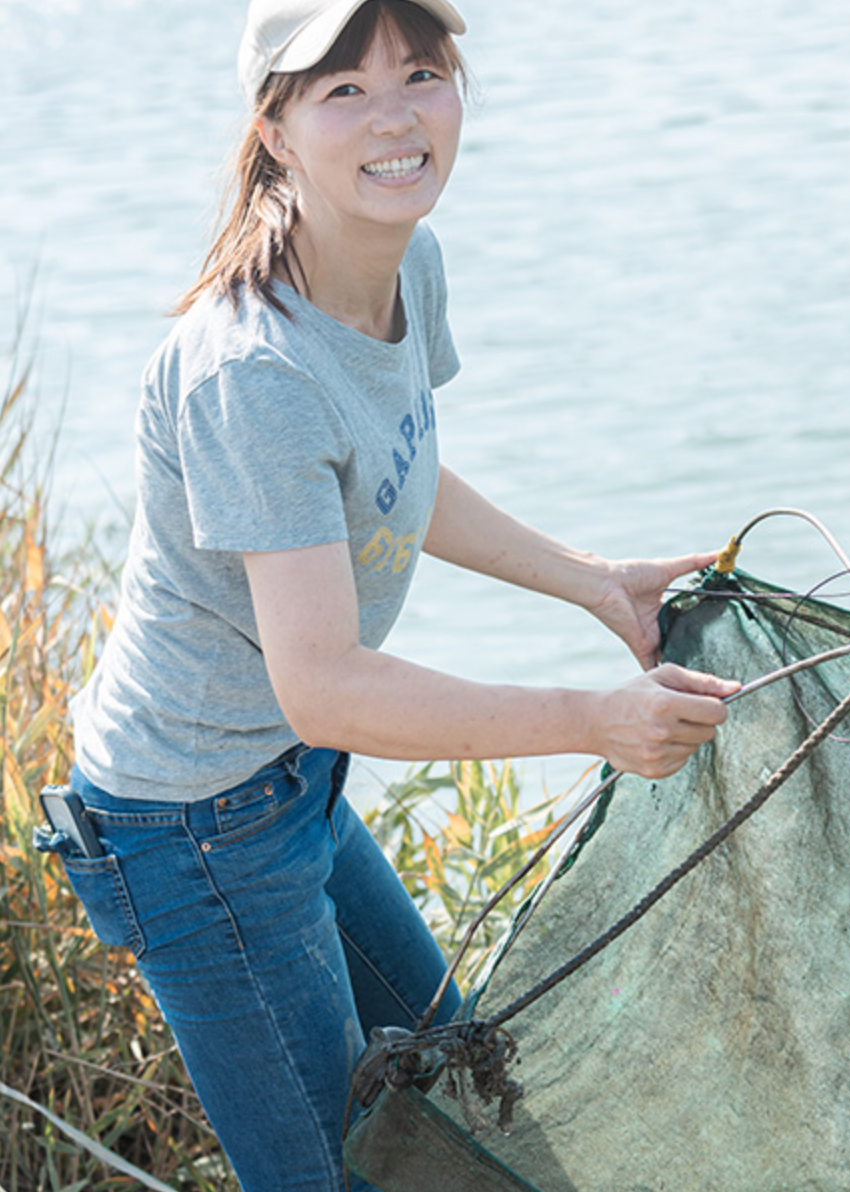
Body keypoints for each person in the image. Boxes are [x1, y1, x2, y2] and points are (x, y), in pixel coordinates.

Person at [39, 1, 739, 1188]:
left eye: (420, 72)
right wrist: (592, 723)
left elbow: (392, 473)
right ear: (276, 128)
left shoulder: (406, 262)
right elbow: (324, 688)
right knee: (348, 1175)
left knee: (454, 1099)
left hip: (291, 787)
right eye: (344, 91)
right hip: (195, 831)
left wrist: (589, 582)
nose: (397, 116)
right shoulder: (251, 372)